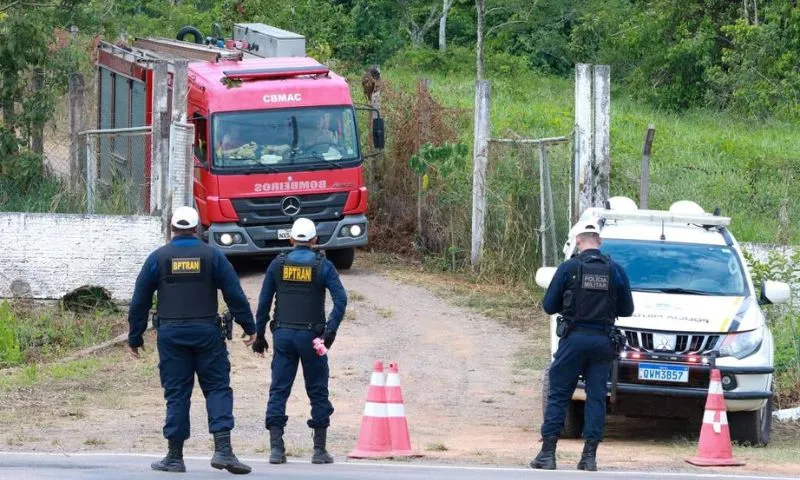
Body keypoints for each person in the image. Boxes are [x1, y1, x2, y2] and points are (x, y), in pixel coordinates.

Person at [127, 206, 257, 475]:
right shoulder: (213, 256)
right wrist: (249, 326)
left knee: (177, 393)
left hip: (171, 336)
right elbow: (234, 293)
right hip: (208, 334)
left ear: (171, 229)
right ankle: (223, 450)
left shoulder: (158, 258)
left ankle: (174, 457)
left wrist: (135, 336)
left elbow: (139, 300)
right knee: (218, 388)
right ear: (198, 229)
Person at [531, 221, 634, 472]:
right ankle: (589, 458)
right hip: (602, 343)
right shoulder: (615, 270)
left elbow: (548, 306)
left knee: (559, 395)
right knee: (597, 397)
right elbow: (627, 310)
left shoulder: (569, 268)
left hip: (574, 340)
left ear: (578, 241)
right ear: (599, 242)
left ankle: (548, 454)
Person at [252, 217, 347, 465]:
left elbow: (263, 302)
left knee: (279, 390)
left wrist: (259, 335)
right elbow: (341, 300)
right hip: (312, 337)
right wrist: (330, 332)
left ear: (292, 239)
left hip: (283, 336)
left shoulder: (278, 264)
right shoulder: (323, 266)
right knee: (317, 391)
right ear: (315, 240)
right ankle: (319, 450)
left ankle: (276, 449)